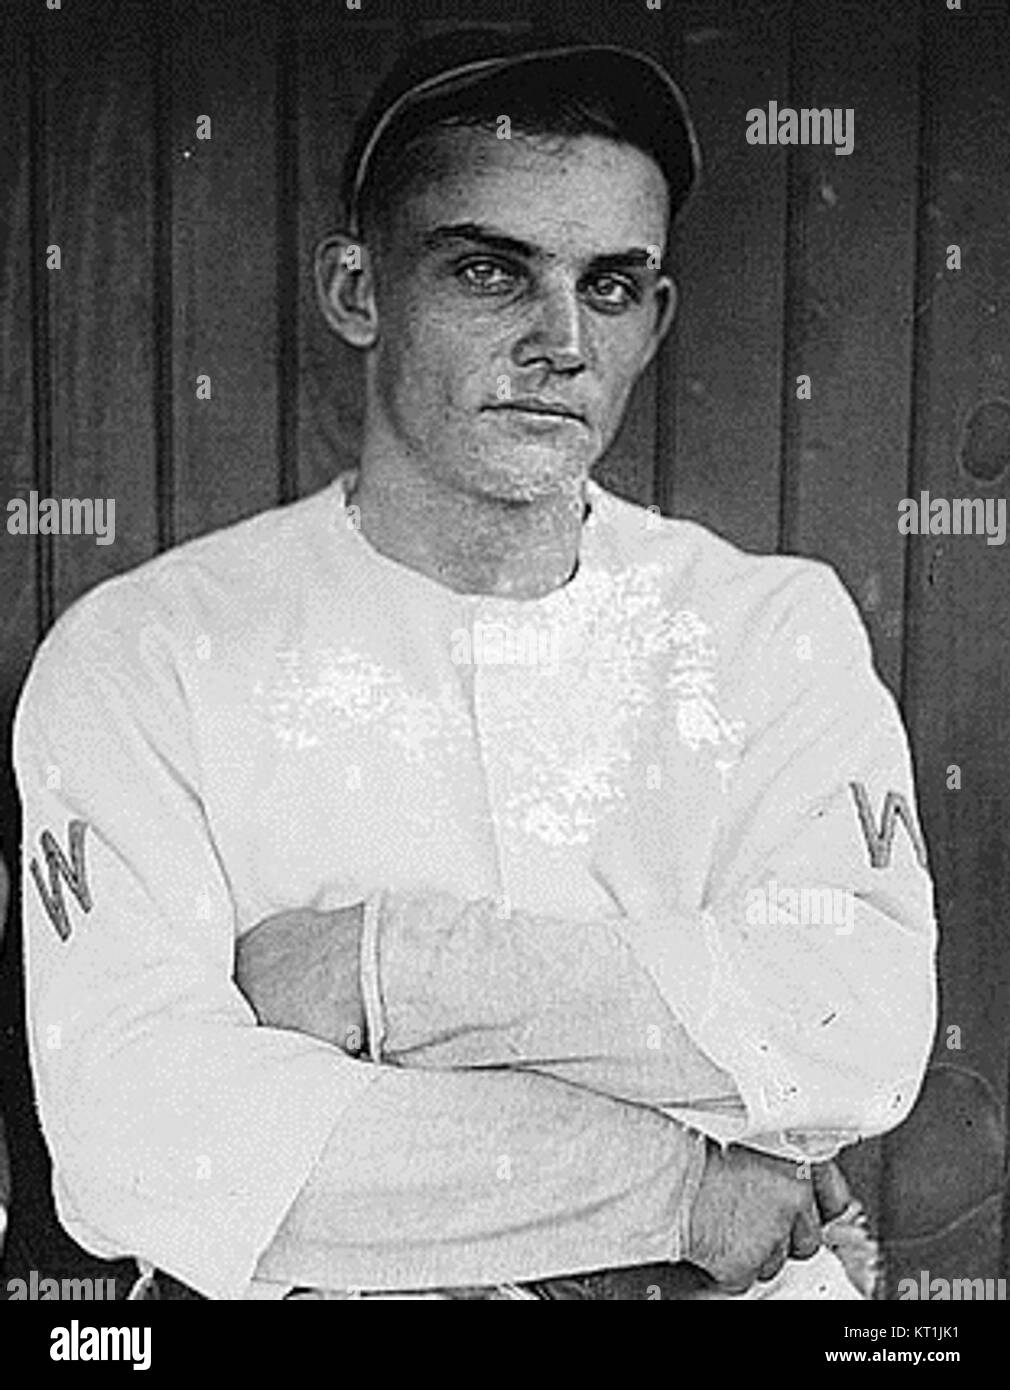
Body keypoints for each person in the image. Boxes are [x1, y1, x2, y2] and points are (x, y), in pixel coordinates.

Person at [13, 31, 936, 1301]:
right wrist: (684, 1184)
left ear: (653, 316)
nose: (560, 339)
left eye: (609, 286)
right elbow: (144, 1139)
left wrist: (383, 972)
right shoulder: (145, 654)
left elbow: (860, 1029)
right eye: (489, 272)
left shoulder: (767, 630)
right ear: (358, 289)